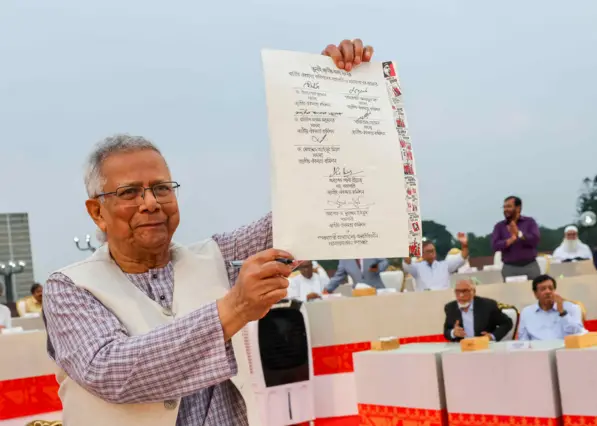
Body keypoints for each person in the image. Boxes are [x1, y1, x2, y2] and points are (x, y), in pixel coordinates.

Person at [42, 38, 376, 426]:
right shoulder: (69, 288)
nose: (150, 203)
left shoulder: (218, 256)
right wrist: (234, 308)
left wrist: (325, 100)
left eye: (161, 188)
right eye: (130, 192)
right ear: (97, 212)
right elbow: (113, 372)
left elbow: (304, 216)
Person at [518, 274, 586, 340]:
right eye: (543, 289)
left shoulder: (571, 308)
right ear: (535, 294)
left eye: (551, 288)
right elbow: (523, 340)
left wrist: (562, 312)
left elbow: (579, 333)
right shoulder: (527, 312)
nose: (548, 291)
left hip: (564, 347)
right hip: (537, 347)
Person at [443, 279, 513, 342]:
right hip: (461, 347)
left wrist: (491, 336)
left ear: (473, 292)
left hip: (483, 346)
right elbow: (446, 331)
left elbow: (507, 323)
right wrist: (453, 333)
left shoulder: (488, 305)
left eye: (465, 291)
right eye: (457, 291)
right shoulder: (450, 308)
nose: (461, 295)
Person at [491, 196, 541, 281]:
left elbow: (535, 240)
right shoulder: (499, 226)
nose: (506, 209)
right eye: (504, 207)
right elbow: (494, 246)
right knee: (511, 289)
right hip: (510, 267)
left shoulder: (529, 222)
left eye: (509, 206)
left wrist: (519, 234)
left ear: (518, 208)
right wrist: (510, 240)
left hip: (530, 266)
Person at [403, 234, 469, 291]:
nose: (432, 253)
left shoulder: (445, 265)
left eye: (433, 251)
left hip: (444, 298)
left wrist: (464, 245)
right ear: (422, 254)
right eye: (429, 251)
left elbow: (463, 256)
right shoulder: (417, 267)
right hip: (424, 299)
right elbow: (407, 262)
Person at [324, 258, 389, 292]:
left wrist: (376, 268)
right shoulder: (344, 260)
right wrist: (327, 289)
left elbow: (385, 262)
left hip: (377, 292)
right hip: (359, 294)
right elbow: (338, 277)